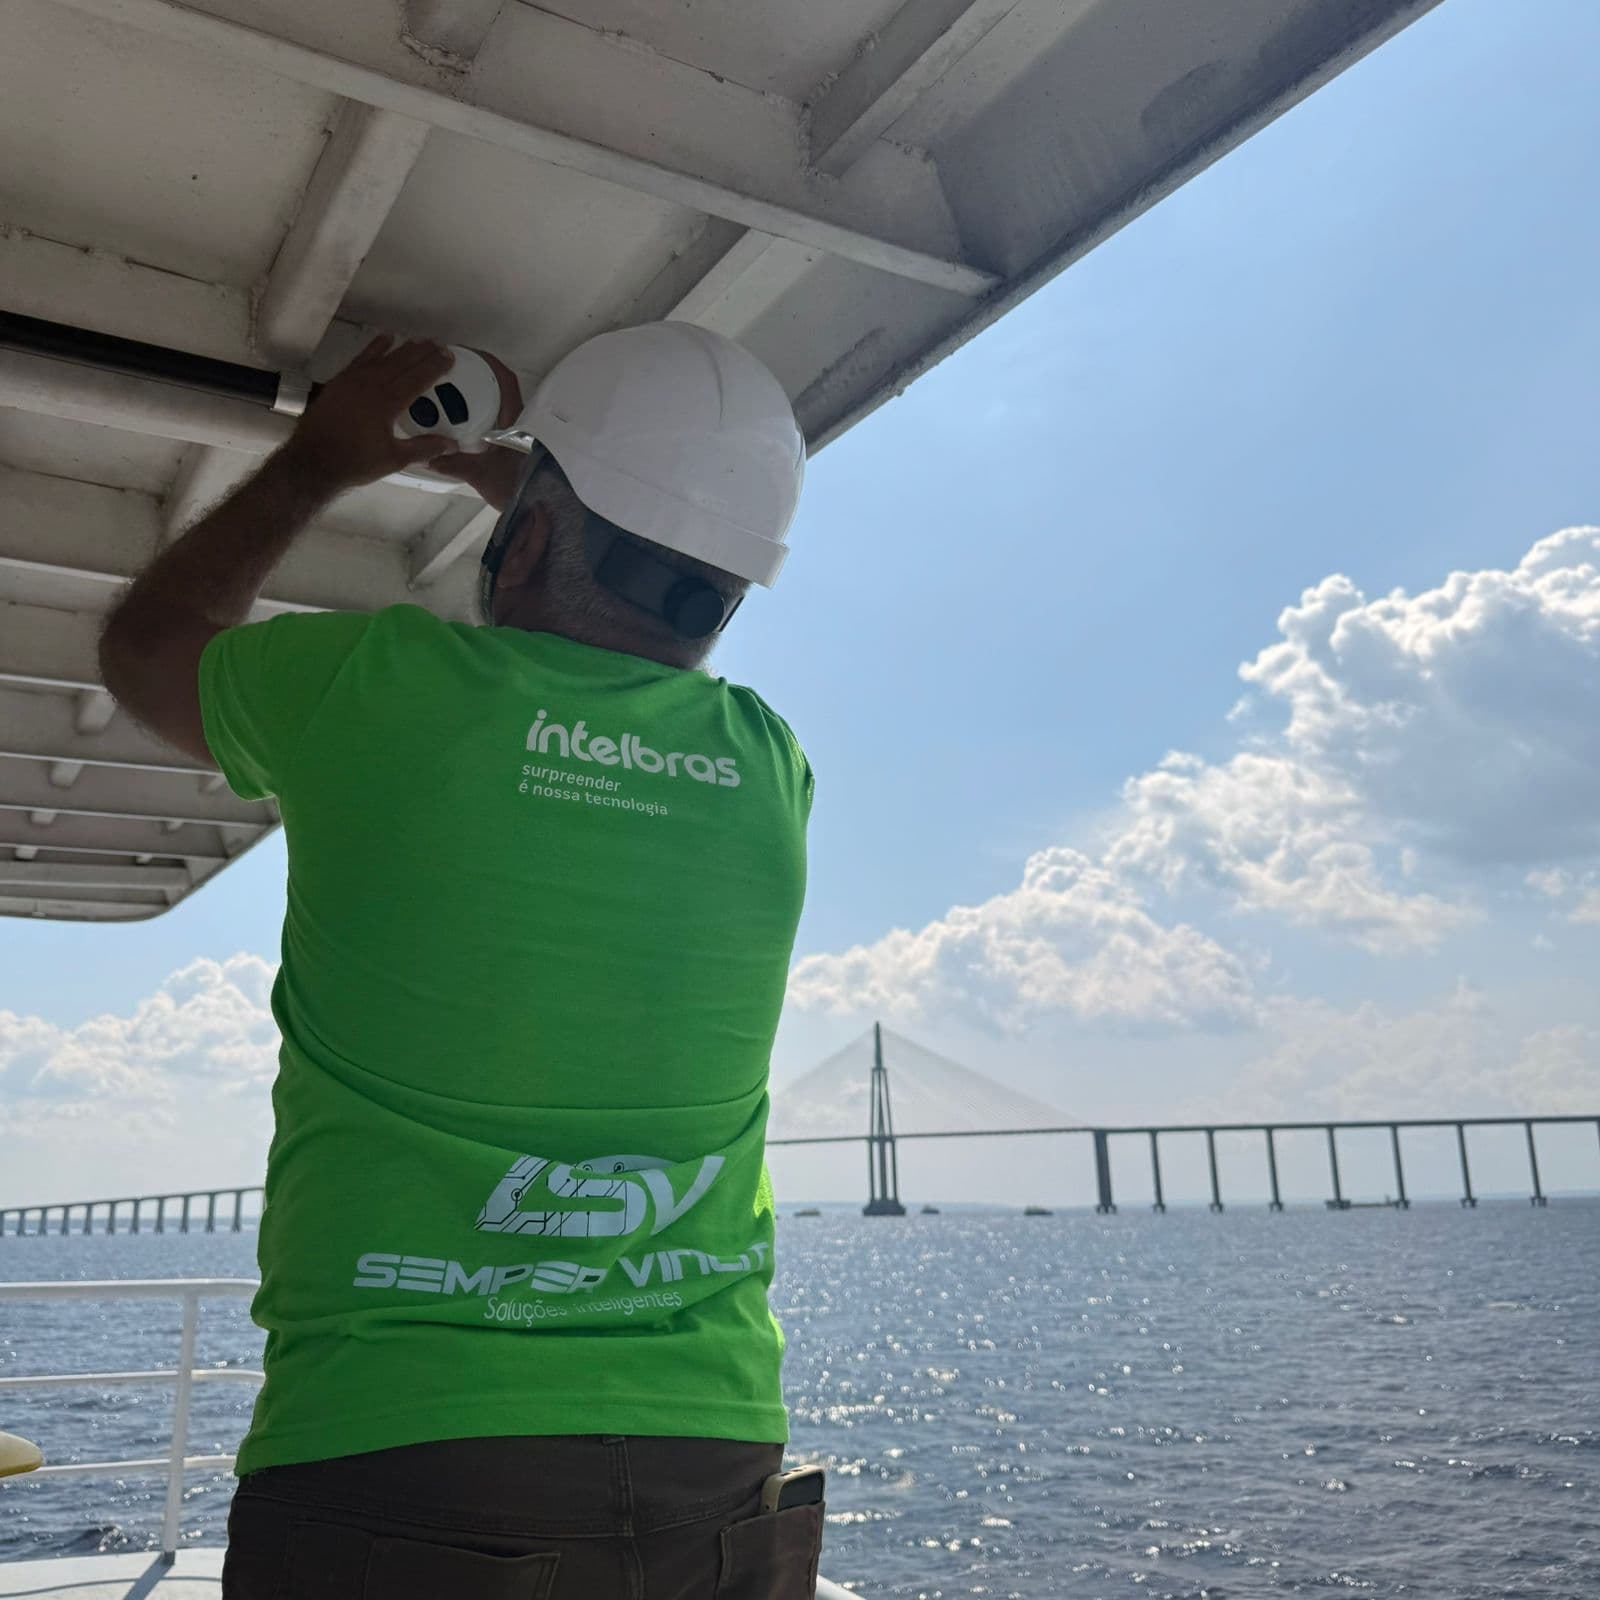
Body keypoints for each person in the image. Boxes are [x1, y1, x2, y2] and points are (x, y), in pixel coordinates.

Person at [98, 325, 823, 1598]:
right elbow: (637, 626)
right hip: (713, 1466)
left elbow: (146, 650)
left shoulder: (376, 687)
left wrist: (318, 464)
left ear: (528, 541)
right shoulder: (769, 767)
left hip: (402, 1458)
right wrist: (545, 498)